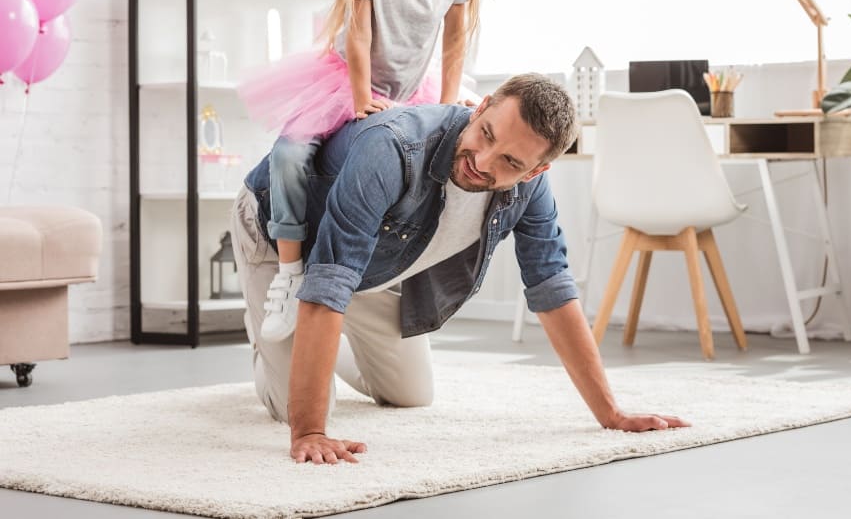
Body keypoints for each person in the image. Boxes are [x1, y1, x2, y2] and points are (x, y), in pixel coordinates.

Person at [230, 74, 690, 464]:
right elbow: (328, 276)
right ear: (481, 107)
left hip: (373, 264)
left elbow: (552, 289)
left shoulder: (530, 192)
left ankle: (317, 340)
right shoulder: (392, 146)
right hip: (278, 233)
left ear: (535, 173)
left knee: (411, 395)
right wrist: (310, 432)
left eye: (510, 161)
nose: (482, 162)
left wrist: (611, 414)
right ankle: (269, 340)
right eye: (486, 134)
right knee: (302, 409)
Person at [237, 0, 492, 344]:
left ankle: (382, 274)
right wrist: (359, 99)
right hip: (346, 79)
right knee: (291, 154)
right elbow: (358, 32)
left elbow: (455, 41)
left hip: (412, 86)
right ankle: (290, 271)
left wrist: (442, 104)